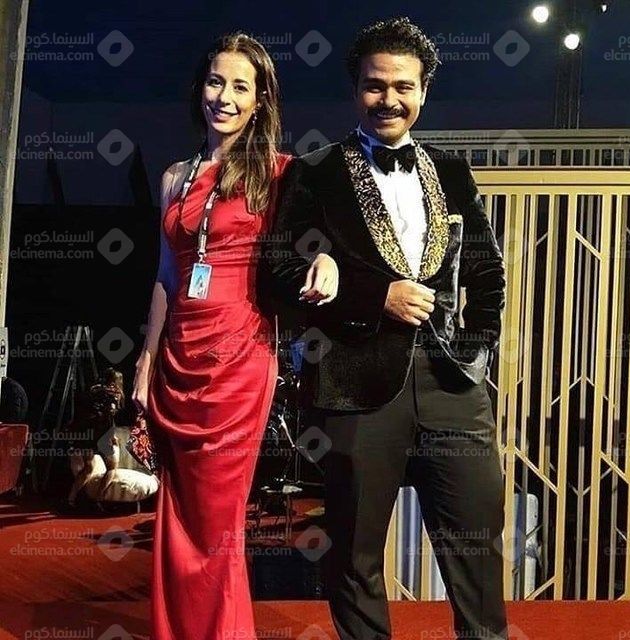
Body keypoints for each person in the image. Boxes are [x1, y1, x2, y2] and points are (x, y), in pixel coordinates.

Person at [266, 17, 508, 640]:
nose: (389, 99)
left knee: (477, 539)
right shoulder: (314, 171)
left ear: (424, 90)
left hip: (453, 384)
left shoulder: (452, 171)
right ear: (356, 90)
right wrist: (377, 296)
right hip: (354, 382)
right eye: (375, 86)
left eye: (403, 86)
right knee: (354, 550)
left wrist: (474, 351)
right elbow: (278, 272)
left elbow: (487, 273)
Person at [131, 32, 337, 640]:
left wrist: (326, 260)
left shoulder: (281, 173)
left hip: (241, 356)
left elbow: (321, 239)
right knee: (177, 511)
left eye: (240, 87)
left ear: (260, 100)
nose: (223, 96)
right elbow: (167, 275)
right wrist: (146, 359)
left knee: (218, 517)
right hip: (178, 355)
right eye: (215, 81)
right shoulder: (174, 176)